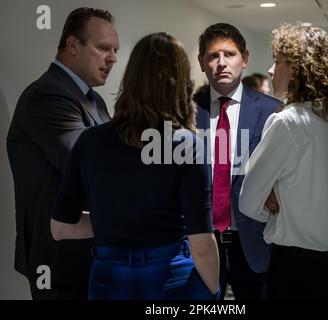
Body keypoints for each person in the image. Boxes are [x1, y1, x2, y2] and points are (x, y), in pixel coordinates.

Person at [50, 32, 220, 300]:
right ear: (181, 83)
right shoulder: (188, 144)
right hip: (172, 275)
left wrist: (118, 221)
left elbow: (60, 228)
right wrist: (214, 292)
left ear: (131, 78)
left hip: (109, 277)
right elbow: (201, 244)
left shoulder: (90, 141)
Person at [7, 7, 119, 300]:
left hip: (89, 256)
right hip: (60, 261)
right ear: (72, 45)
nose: (113, 58)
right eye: (103, 48)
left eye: (115, 50)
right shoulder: (49, 95)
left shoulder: (92, 100)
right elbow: (91, 167)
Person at [239, 24, 328, 300]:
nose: (270, 70)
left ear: (297, 69)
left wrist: (280, 207)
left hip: (297, 268)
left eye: (278, 61)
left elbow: (247, 202)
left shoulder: (287, 122)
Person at [194, 23, 281, 300]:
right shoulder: (185, 110)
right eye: (212, 56)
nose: (221, 63)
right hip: (201, 240)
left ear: (244, 58)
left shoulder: (272, 111)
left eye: (229, 55)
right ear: (201, 62)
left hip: (254, 242)